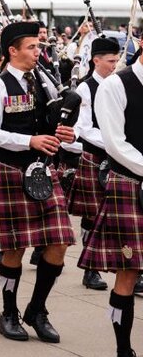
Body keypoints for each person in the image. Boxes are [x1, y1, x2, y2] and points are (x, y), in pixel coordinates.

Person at [0, 20, 77, 343]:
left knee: (60, 242)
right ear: (12, 51)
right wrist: (30, 141)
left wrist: (62, 134)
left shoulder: (41, 82)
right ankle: (8, 312)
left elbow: (49, 120)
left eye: (38, 46)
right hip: (12, 171)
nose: (38, 52)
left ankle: (37, 308)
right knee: (15, 248)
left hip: (44, 172)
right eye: (32, 47)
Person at [78, 44, 143, 357]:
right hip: (130, 185)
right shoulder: (116, 85)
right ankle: (123, 349)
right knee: (128, 272)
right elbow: (115, 143)